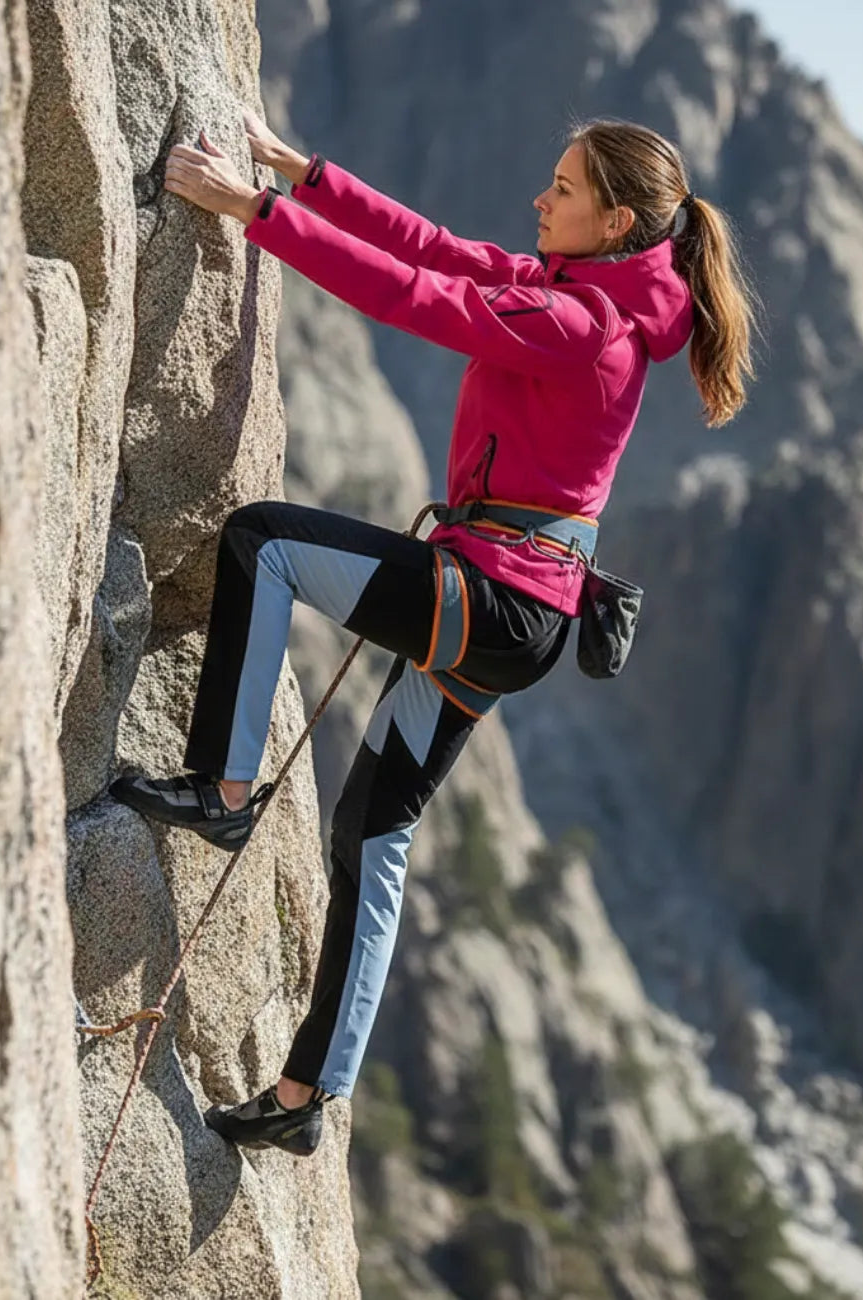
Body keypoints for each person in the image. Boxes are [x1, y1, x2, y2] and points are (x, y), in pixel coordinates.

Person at [110, 112, 756, 1157]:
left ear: (616, 220)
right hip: (518, 612)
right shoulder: (585, 290)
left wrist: (255, 213)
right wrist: (302, 169)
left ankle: (223, 790)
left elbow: (422, 299)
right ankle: (303, 1096)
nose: (540, 200)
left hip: (492, 596)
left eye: (561, 188)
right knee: (373, 832)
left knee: (263, 545)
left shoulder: (584, 323)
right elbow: (441, 251)